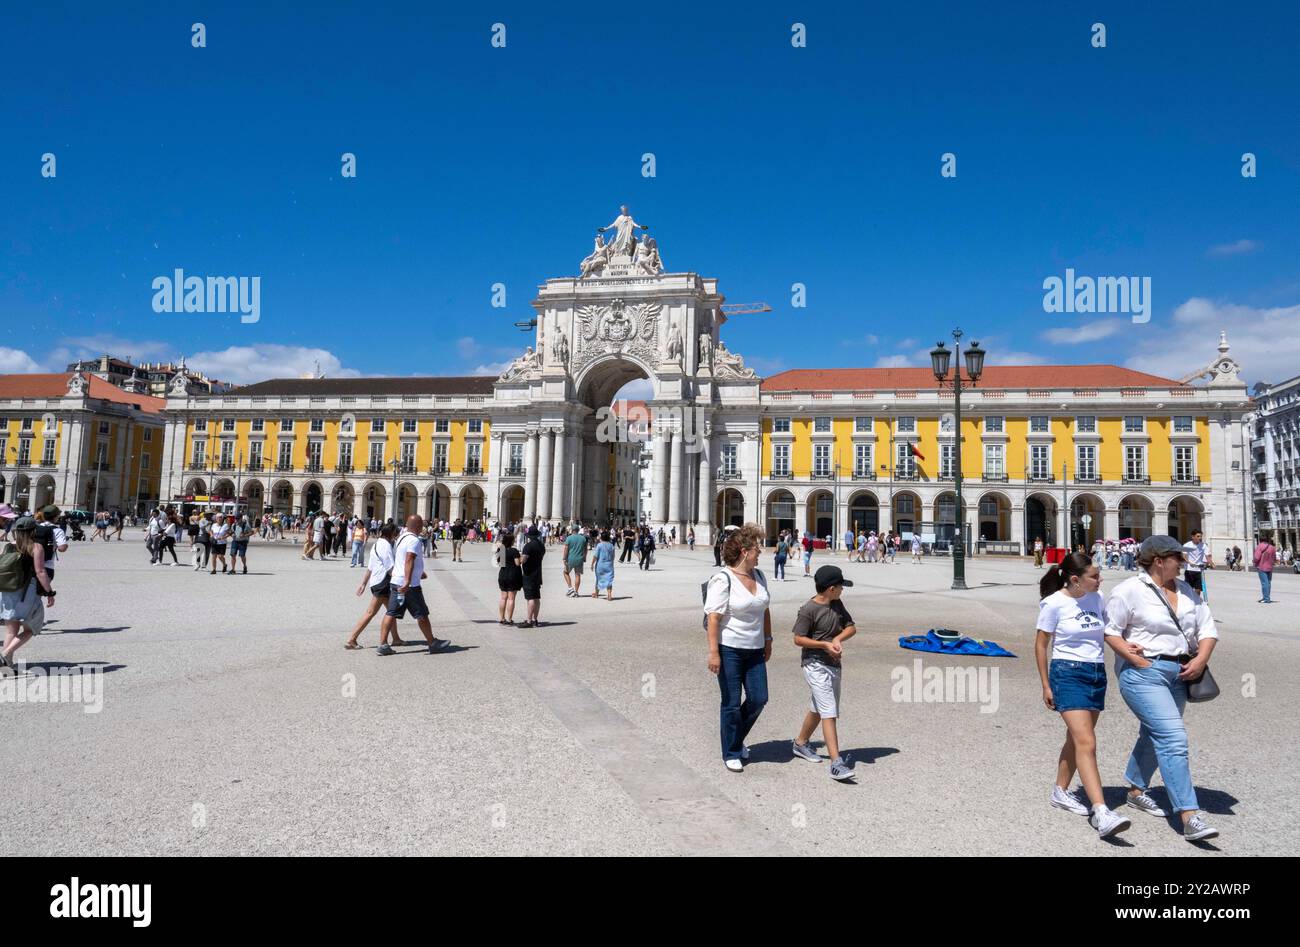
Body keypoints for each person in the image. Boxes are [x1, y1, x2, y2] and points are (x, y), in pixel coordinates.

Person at [1104, 535, 1220, 842]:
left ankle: (1134, 788)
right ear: (1159, 561)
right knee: (1172, 736)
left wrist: (1201, 659)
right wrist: (1133, 658)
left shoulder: (1186, 592)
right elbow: (1111, 631)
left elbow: (1208, 629)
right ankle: (1189, 815)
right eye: (1178, 558)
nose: (1183, 563)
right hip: (1144, 674)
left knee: (1153, 734)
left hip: (1181, 672)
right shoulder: (1128, 590)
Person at [1035, 552, 1130, 838]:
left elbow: (1106, 633)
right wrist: (1046, 685)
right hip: (1067, 673)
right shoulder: (1053, 604)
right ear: (1076, 580)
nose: (1100, 579)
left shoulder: (1096, 599)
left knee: (1075, 740)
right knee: (1086, 741)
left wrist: (1128, 646)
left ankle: (1060, 791)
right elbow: (1040, 646)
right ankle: (1101, 811)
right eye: (1095, 576)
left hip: (1095, 674)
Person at [705, 524, 772, 773]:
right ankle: (731, 751)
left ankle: (734, 738)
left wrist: (768, 639)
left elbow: (765, 609)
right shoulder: (723, 579)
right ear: (745, 551)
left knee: (759, 698)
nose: (760, 552)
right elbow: (713, 618)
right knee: (731, 702)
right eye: (757, 548)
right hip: (729, 649)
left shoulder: (760, 576)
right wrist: (713, 652)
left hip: (755, 649)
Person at [790, 564, 858, 782]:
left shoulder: (837, 604)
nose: (842, 590)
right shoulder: (808, 609)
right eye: (840, 586)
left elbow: (851, 627)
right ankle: (836, 763)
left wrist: (837, 639)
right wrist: (824, 645)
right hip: (814, 663)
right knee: (829, 711)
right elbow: (798, 639)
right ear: (830, 588)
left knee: (819, 708)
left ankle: (800, 743)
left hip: (833, 664)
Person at [377, 515, 450, 656]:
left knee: (390, 613)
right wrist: (408, 581)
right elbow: (409, 560)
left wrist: (419, 572)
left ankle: (383, 644)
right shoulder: (414, 540)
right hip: (409, 587)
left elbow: (403, 559)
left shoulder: (401, 538)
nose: (422, 527)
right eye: (421, 524)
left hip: (395, 582)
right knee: (421, 614)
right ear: (417, 526)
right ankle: (432, 643)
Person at [0, 516, 56, 670]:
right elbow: (40, 571)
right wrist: (50, 593)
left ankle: (6, 666)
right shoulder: (36, 547)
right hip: (26, 592)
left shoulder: (9, 546)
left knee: (11, 629)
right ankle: (5, 654)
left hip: (8, 590)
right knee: (32, 628)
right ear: (33, 530)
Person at [346, 523, 404, 649]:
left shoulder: (377, 544)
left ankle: (396, 638)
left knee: (391, 611)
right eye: (396, 533)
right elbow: (390, 568)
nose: (397, 535)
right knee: (371, 612)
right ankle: (352, 639)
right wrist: (403, 581)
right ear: (391, 533)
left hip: (376, 582)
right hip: (383, 583)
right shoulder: (386, 546)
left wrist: (363, 584)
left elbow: (370, 568)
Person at [518, 525, 546, 628]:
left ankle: (529, 621)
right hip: (538, 574)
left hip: (529, 574)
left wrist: (520, 557)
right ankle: (535, 619)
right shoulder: (541, 546)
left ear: (529, 536)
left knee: (530, 598)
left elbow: (523, 560)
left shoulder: (528, 546)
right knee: (536, 597)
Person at [497, 531, 523, 623]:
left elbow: (500, 563)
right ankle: (509, 619)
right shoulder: (514, 551)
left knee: (503, 597)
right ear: (511, 541)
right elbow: (517, 563)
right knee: (511, 598)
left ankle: (502, 618)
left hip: (503, 574)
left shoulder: (501, 550)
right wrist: (521, 559)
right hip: (512, 575)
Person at [562, 525, 588, 597]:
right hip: (580, 559)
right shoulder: (583, 538)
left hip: (570, 559)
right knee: (577, 574)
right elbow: (585, 549)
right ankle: (576, 592)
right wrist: (584, 557)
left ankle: (570, 588)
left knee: (565, 572)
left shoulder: (569, 538)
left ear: (572, 530)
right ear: (578, 530)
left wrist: (564, 558)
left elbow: (566, 549)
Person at [591, 530, 616, 601]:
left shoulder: (599, 545)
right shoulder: (611, 546)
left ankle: (596, 594)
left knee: (598, 579)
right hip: (609, 565)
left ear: (601, 538)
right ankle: (609, 595)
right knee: (609, 580)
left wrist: (592, 564)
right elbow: (613, 556)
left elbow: (595, 556)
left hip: (600, 565)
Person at [1253, 532, 1276, 603]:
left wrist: (1254, 561)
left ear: (1260, 539)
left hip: (1262, 567)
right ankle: (1266, 597)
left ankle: (1266, 598)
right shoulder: (1272, 547)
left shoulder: (1260, 546)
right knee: (1268, 583)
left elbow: (1257, 557)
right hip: (1270, 567)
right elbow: (1274, 558)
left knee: (1264, 583)